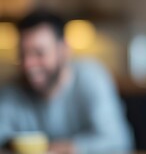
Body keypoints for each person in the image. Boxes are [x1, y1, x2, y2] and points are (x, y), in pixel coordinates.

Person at [0, 10, 133, 154]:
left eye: (39, 53)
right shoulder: (12, 90)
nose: (28, 64)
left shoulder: (91, 78)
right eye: (22, 54)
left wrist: (62, 148)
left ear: (64, 50)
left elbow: (118, 140)